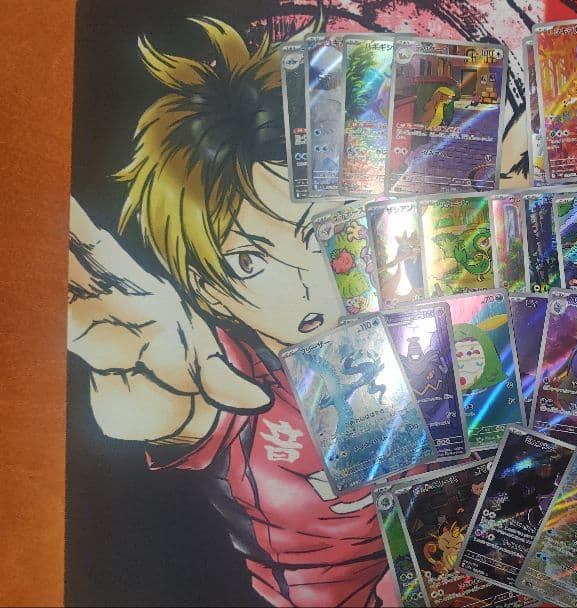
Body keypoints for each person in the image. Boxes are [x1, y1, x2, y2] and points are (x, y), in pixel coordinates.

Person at [67, 18, 392, 607]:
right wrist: (153, 396)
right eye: (248, 261)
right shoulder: (225, 378)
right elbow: (183, 404)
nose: (305, 282)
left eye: (318, 231)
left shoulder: (427, 304)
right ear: (210, 292)